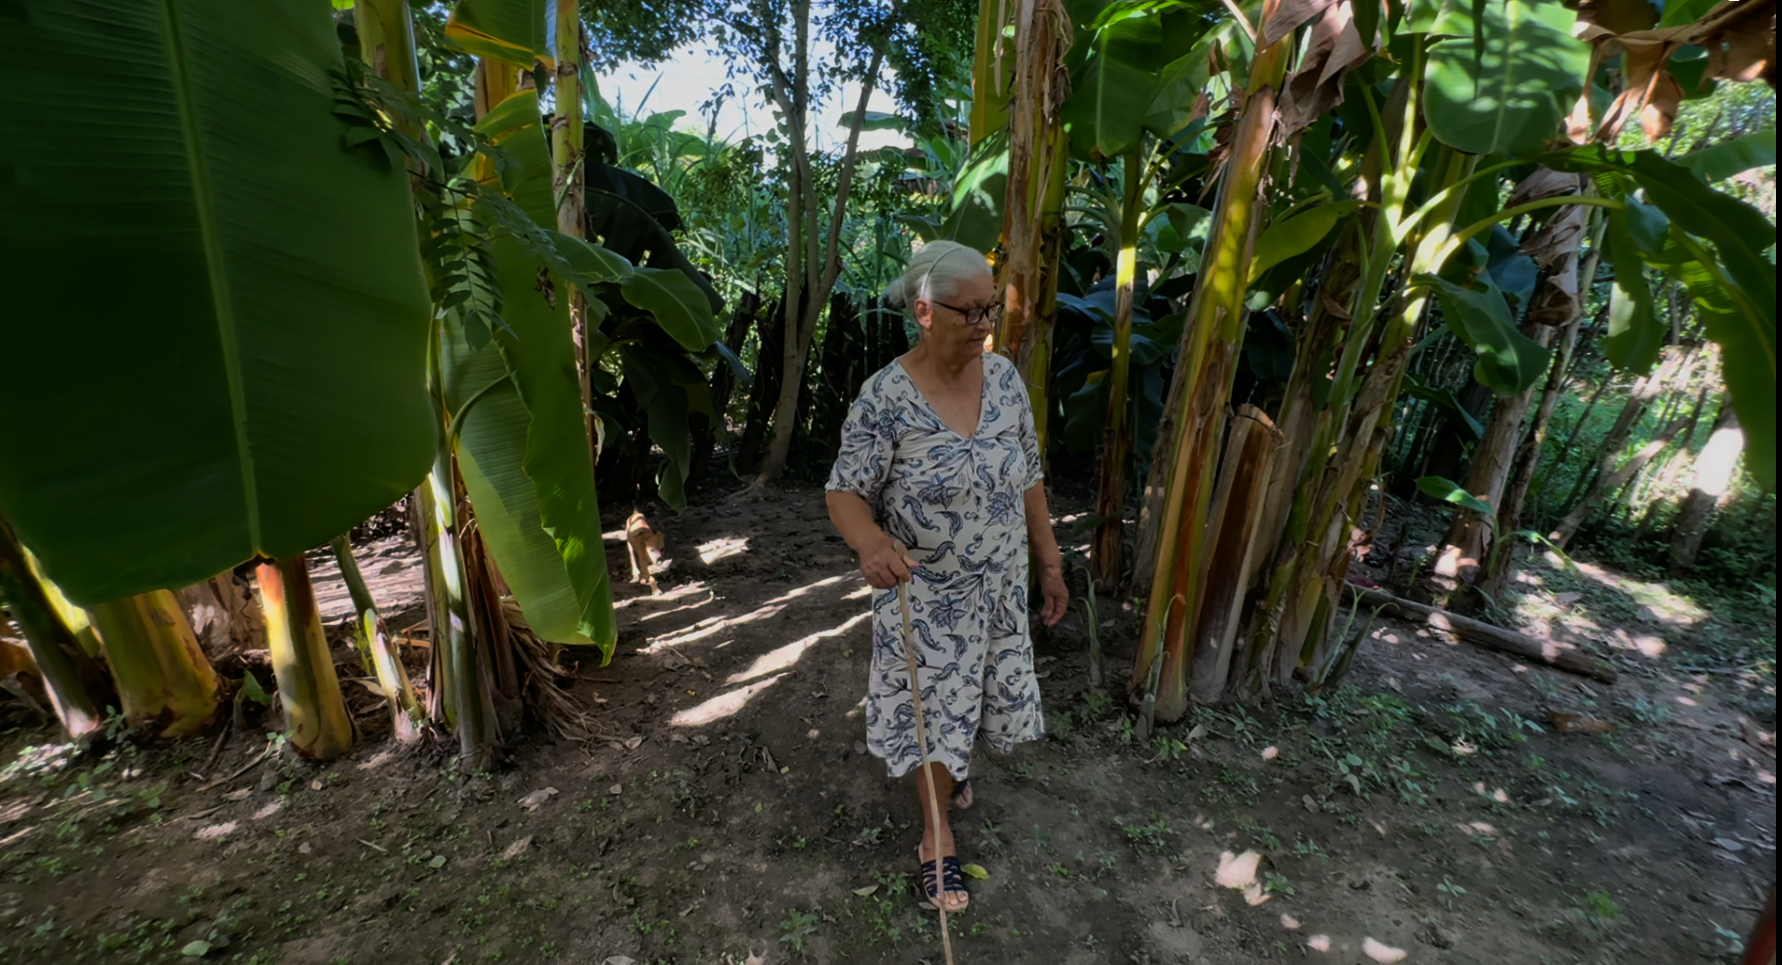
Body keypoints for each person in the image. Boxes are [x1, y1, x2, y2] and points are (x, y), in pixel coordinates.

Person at [825, 241, 1068, 912]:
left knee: (975, 699)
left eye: (992, 306)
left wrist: (1048, 563)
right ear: (926, 312)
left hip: (997, 585)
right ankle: (937, 838)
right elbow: (844, 492)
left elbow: (1030, 477)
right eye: (973, 310)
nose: (986, 322)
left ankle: (952, 772)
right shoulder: (884, 399)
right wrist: (870, 541)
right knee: (933, 714)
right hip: (926, 598)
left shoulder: (1007, 380)